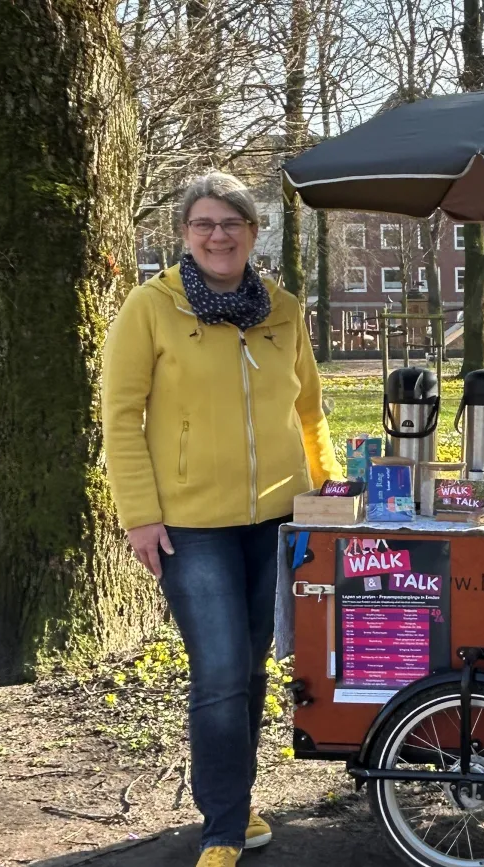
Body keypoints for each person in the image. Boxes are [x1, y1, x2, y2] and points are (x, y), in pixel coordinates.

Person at [102, 172, 343, 867]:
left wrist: (328, 489)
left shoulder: (285, 312)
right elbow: (120, 418)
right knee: (219, 669)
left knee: (254, 664)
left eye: (232, 223)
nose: (219, 235)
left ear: (252, 233)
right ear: (185, 233)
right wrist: (140, 516)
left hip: (276, 520)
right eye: (205, 224)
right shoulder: (150, 308)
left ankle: (237, 802)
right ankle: (222, 829)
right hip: (190, 525)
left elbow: (310, 411)